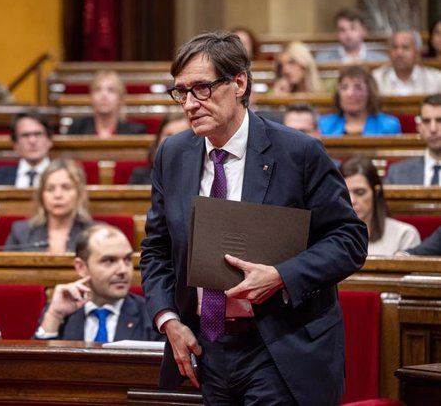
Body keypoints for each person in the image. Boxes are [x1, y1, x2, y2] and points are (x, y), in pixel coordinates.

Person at [140, 31, 367, 405]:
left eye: (201, 88)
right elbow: (157, 249)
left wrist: (282, 276)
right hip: (206, 349)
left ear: (239, 82)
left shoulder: (298, 152)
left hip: (280, 346)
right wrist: (168, 320)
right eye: (181, 92)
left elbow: (349, 240)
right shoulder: (173, 154)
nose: (190, 104)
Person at [34, 224, 162, 342]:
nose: (123, 270)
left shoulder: (153, 317)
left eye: (127, 259)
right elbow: (38, 366)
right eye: (109, 261)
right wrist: (55, 315)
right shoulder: (63, 313)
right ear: (81, 267)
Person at [4, 158, 92, 252]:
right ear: (42, 195)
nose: (58, 195)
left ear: (79, 193)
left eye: (66, 188)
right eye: (50, 189)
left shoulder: (94, 234)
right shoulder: (20, 233)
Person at [340, 156, 419, 256]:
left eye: (360, 192)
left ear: (376, 192)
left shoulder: (404, 235)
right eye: (345, 193)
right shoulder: (326, 234)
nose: (352, 200)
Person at [319, 65, 401, 136]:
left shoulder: (389, 126)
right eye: (344, 87)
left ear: (370, 92)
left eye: (358, 87)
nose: (350, 93)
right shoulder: (323, 125)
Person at [66, 70, 147, 136]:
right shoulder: (77, 129)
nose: (104, 95)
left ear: (120, 98)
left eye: (111, 90)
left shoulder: (135, 132)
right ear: (91, 97)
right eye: (98, 89)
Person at [0, 110, 53, 187]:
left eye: (38, 134)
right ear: (15, 144)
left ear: (49, 140)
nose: (32, 141)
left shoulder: (64, 174)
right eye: (25, 135)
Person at [386, 94, 441, 185]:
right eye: (426, 121)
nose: (433, 129)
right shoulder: (397, 173)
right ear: (419, 127)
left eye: (440, 120)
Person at [372, 29, 441, 96]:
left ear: (417, 53)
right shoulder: (376, 79)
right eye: (394, 47)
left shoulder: (436, 80)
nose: (399, 53)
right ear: (388, 52)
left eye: (405, 47)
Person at [129, 113, 189, 184]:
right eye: (169, 135)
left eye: (180, 136)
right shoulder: (141, 176)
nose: (173, 142)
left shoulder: (200, 176)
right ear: (158, 140)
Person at [315, 9, 388, 64]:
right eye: (342, 30)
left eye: (353, 28)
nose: (348, 34)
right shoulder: (322, 59)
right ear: (337, 33)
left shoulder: (381, 60)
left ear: (363, 31)